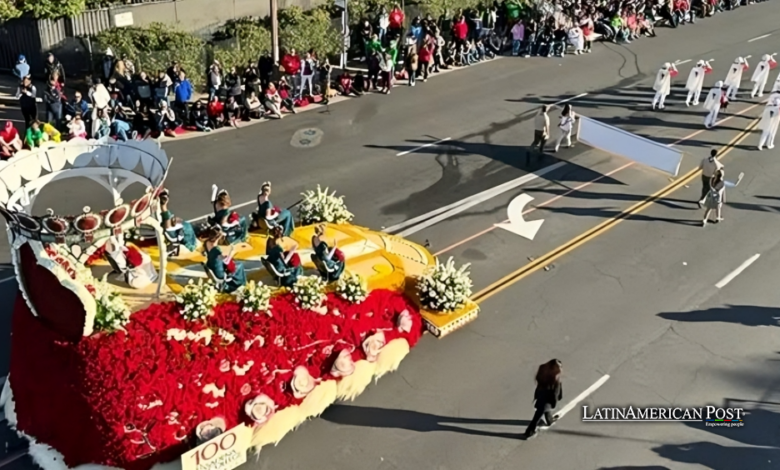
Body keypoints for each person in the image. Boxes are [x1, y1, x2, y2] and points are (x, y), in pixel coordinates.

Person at [524, 359, 563, 439]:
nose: (560, 369)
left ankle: (549, 420)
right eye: (559, 367)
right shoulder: (555, 379)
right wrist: (554, 403)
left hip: (540, 394)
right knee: (538, 415)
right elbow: (555, 393)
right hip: (547, 399)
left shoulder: (543, 370)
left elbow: (538, 380)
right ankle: (529, 431)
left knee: (544, 409)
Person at [202, 227, 247, 293]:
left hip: (212, 265)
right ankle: (240, 284)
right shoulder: (216, 250)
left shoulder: (207, 243)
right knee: (240, 265)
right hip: (219, 272)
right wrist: (232, 253)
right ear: (217, 238)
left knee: (236, 263)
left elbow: (218, 257)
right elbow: (226, 261)